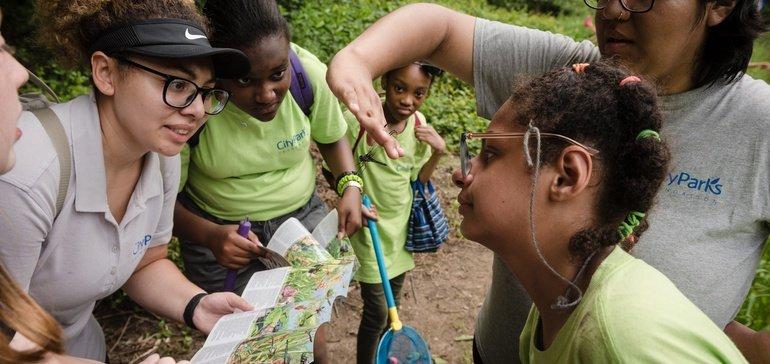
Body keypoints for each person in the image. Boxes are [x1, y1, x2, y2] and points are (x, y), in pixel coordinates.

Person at [326, 1, 770, 363]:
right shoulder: (570, 72)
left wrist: (725, 343)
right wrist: (356, 61)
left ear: (720, 4)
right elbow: (438, 29)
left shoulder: (759, 125)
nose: (613, 10)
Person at [0, 0, 256, 361]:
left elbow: (146, 261)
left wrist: (196, 305)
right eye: (177, 84)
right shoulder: (25, 178)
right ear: (105, 73)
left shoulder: (159, 153)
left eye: (205, 91)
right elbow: (5, 340)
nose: (197, 110)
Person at [454, 60, 746, 362]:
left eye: (490, 154)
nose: (461, 175)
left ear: (567, 176)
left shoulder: (624, 338)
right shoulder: (556, 307)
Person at [174, 0, 361, 295]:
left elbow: (331, 137)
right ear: (217, 69)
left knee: (310, 323)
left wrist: (350, 186)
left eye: (277, 75)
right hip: (219, 234)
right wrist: (210, 236)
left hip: (302, 219)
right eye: (245, 80)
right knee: (238, 333)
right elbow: (159, 202)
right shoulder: (192, 102)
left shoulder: (307, 76)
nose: (266, 95)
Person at [345, 62, 445, 363]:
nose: (407, 100)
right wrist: (356, 198)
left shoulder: (418, 125)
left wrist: (439, 151)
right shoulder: (360, 119)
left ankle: (390, 359)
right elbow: (335, 167)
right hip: (369, 229)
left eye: (419, 93)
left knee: (393, 311)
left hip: (399, 232)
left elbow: (418, 178)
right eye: (399, 88)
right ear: (386, 82)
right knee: (377, 311)